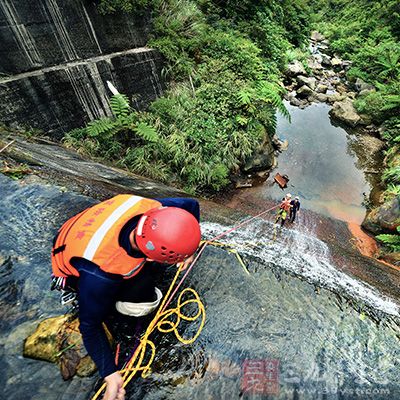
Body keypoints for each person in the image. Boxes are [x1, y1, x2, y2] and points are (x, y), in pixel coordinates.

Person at [51, 195, 201, 400]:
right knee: (138, 305)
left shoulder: (153, 210)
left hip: (81, 231)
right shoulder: (102, 272)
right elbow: (89, 325)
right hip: (76, 266)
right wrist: (110, 374)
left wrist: (187, 252)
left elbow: (191, 205)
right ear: (149, 257)